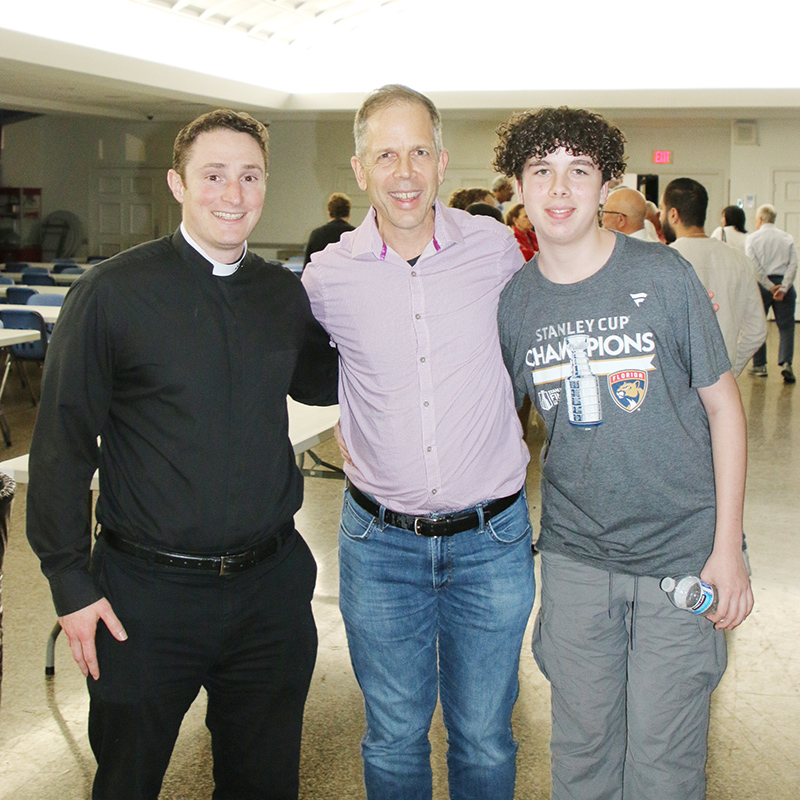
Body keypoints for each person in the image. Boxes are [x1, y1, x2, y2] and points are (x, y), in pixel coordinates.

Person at [26, 109, 339, 800]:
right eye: (214, 175)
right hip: (144, 597)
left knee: (264, 784)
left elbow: (326, 379)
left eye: (249, 176)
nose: (234, 193)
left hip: (269, 592)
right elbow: (62, 445)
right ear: (177, 183)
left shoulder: (279, 294)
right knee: (127, 783)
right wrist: (70, 583)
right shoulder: (111, 293)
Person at [494, 106, 753, 800]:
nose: (558, 188)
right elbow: (507, 427)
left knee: (665, 767)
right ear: (518, 183)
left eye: (578, 170)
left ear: (606, 181)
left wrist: (727, 548)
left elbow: (725, 409)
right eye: (540, 170)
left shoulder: (663, 278)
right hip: (579, 558)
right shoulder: (516, 303)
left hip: (682, 554)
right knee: (582, 757)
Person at [302, 84, 534, 800]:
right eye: (385, 154)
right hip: (380, 549)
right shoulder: (326, 278)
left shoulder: (496, 250)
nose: (404, 172)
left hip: (490, 544)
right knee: (395, 738)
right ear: (360, 168)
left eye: (418, 152)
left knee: (486, 738)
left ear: (442, 161)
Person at [661, 177, 766, 376]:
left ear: (673, 214)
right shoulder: (740, 261)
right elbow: (757, 330)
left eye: (662, 210)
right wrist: (730, 368)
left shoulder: (664, 259)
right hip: (723, 381)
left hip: (675, 382)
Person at [746, 203, 797, 382]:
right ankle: (786, 363)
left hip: (762, 286)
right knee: (786, 327)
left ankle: (760, 365)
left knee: (759, 325)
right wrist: (783, 287)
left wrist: (769, 286)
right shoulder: (787, 238)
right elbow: (793, 264)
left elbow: (753, 264)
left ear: (759, 219)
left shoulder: (752, 238)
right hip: (784, 286)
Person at [303, 191, 356, 266]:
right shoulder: (356, 235)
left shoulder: (316, 235)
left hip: (323, 276)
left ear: (329, 213)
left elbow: (308, 267)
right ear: (348, 213)